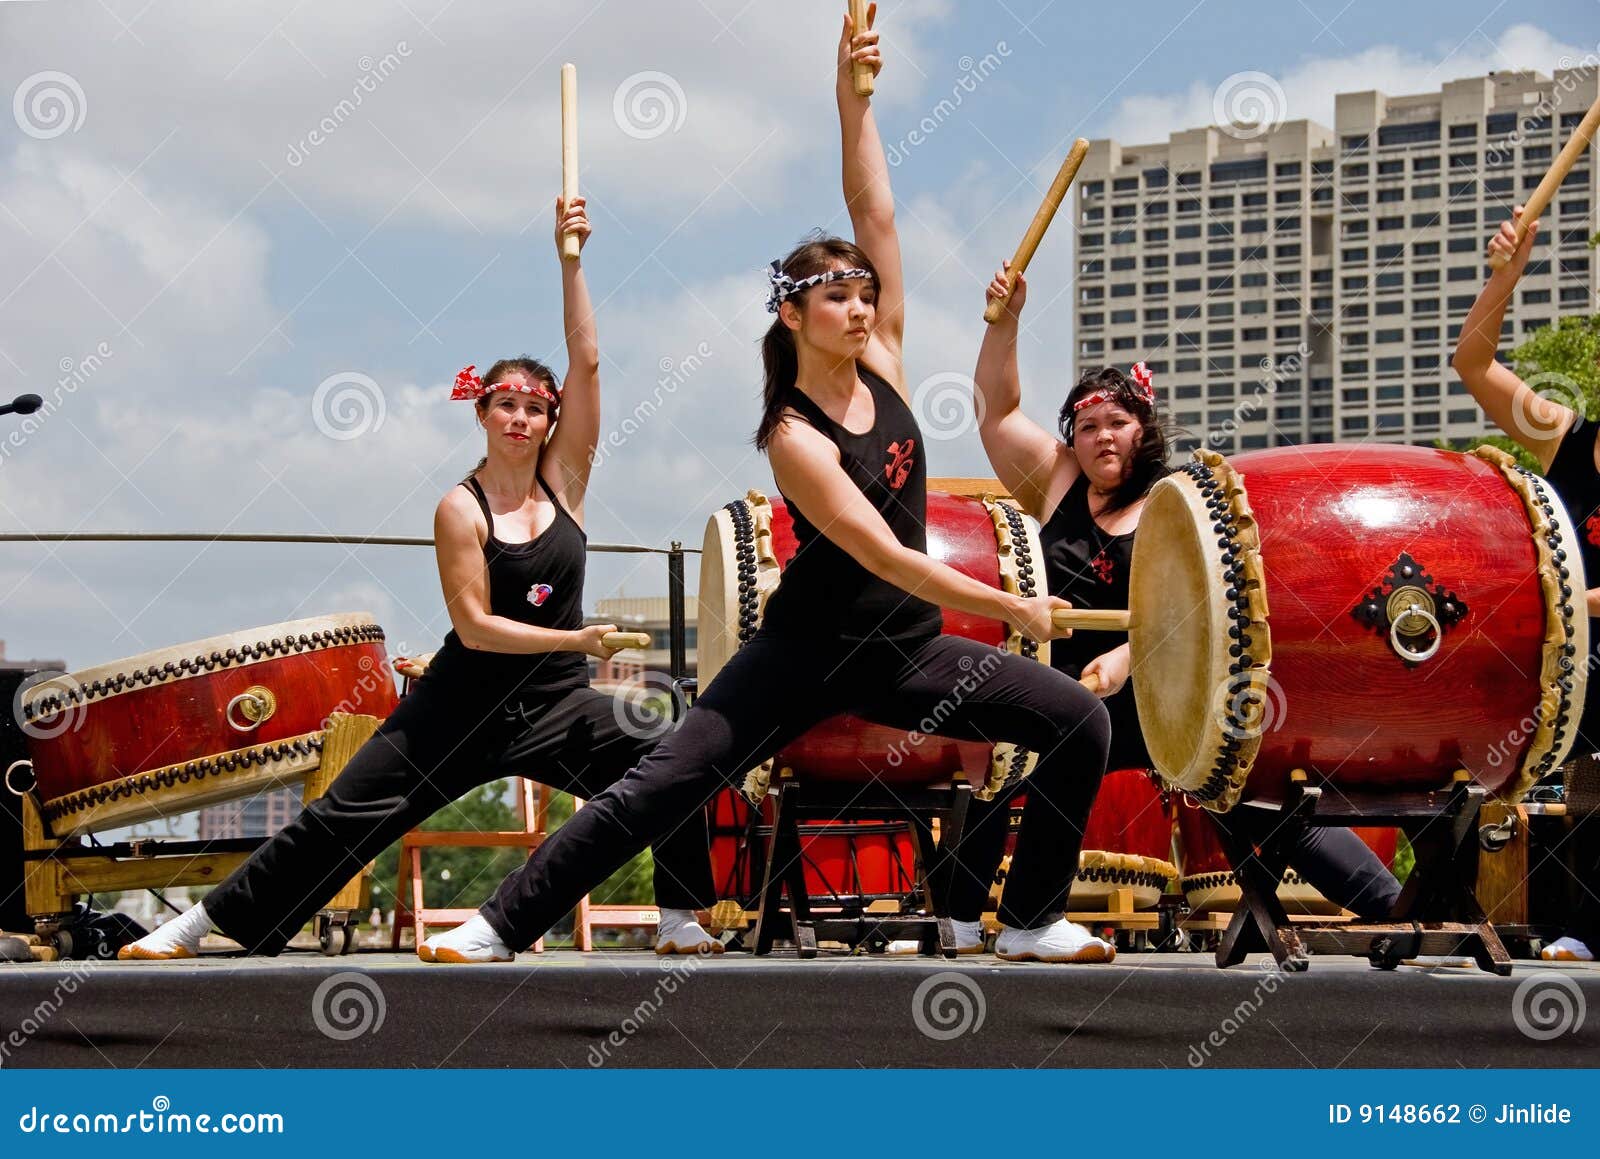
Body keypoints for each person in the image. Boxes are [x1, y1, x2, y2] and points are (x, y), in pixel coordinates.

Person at [422, 5, 1118, 966]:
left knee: (1078, 718)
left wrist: (852, 98)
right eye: (838, 293)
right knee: (665, 781)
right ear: (794, 314)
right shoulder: (793, 433)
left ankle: (1024, 916)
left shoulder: (889, 364)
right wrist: (1010, 603)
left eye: (866, 291)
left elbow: (875, 210)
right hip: (803, 653)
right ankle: (501, 922)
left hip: (907, 653)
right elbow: (884, 550)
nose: (862, 303)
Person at [119, 195, 720, 962]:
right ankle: (199, 926)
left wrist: (571, 261)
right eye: (507, 403)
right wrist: (578, 635)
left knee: (670, 730)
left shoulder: (564, 482)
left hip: (556, 702)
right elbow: (473, 626)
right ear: (483, 413)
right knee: (342, 815)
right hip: (461, 703)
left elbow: (589, 360)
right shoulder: (458, 509)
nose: (522, 418)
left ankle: (678, 918)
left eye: (537, 407)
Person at [957, 260, 1403, 926]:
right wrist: (1009, 320)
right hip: (1066, 697)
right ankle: (964, 924)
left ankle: (1398, 910)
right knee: (995, 760)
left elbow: (1196, 614)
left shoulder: (1180, 505)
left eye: (1118, 421)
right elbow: (997, 412)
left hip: (1163, 701)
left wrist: (1126, 657)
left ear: (1146, 428)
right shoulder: (1061, 486)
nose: (1102, 435)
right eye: (1087, 426)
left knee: (1258, 799)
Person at [1452, 206, 1599, 962]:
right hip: (1572, 669)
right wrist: (1506, 276)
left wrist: (1577, 601)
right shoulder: (1566, 437)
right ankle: (1445, 907)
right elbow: (1474, 364)